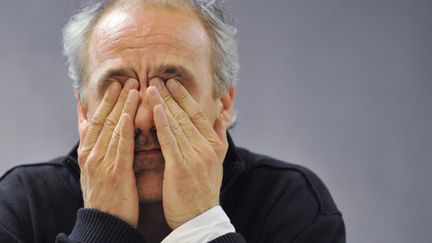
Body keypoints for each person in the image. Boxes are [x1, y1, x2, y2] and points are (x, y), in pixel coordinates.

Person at [0, 0, 346, 242]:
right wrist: (101, 229)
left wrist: (201, 226)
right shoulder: (18, 205)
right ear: (83, 111)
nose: (144, 117)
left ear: (224, 102)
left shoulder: (290, 204)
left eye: (172, 85)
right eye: (117, 88)